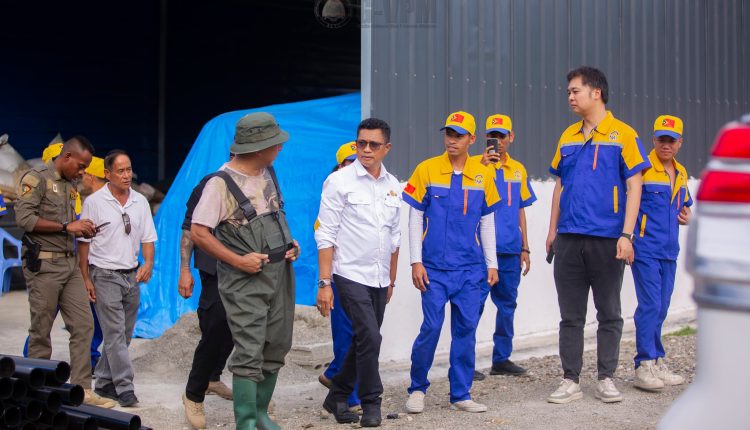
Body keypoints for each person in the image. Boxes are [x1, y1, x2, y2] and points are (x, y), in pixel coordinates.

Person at [545, 66, 650, 404]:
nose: (570, 97)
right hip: (569, 238)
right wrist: (552, 231)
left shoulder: (624, 135)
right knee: (570, 316)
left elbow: (635, 186)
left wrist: (627, 235)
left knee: (609, 312)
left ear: (596, 93)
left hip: (607, 239)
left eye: (575, 91)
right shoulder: (567, 136)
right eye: (568, 92)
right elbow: (559, 185)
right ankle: (570, 380)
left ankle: (606, 378)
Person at [191, 112, 300, 430]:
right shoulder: (220, 184)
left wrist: (290, 243)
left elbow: (275, 216)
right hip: (245, 279)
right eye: (275, 143)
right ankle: (247, 421)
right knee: (250, 348)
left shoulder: (269, 172)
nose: (280, 147)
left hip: (280, 272)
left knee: (277, 343)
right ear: (258, 148)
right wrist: (237, 261)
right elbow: (199, 232)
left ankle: (261, 414)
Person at [403, 111, 500, 414]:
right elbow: (415, 217)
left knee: (466, 330)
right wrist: (416, 262)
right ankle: (417, 388)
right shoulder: (427, 169)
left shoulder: (484, 174)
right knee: (431, 327)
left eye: (459, 135)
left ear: (472, 139)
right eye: (449, 134)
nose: (452, 140)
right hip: (433, 268)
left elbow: (487, 221)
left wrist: (492, 264)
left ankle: (461, 393)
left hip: (470, 269)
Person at [14, 136, 115, 408]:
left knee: (84, 325)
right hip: (44, 266)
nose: (82, 173)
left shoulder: (71, 185)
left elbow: (68, 223)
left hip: (70, 265)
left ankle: (82, 389)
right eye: (80, 166)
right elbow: (24, 219)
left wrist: (82, 228)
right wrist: (65, 227)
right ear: (67, 157)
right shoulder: (36, 179)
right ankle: (36, 391)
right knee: (41, 330)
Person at [315, 121, 401, 427]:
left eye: (373, 145)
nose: (366, 150)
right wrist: (325, 282)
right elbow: (325, 234)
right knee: (371, 337)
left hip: (379, 277)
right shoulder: (339, 182)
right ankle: (371, 401)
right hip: (348, 274)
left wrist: (391, 280)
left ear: (386, 148)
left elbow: (394, 238)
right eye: (361, 143)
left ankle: (336, 396)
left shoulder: (393, 185)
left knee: (361, 340)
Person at [78, 149, 157, 407]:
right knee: (113, 333)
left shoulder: (140, 201)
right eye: (120, 171)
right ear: (107, 174)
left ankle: (103, 382)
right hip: (103, 274)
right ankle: (125, 387)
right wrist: (86, 278)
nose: (126, 175)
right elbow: (83, 244)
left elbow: (148, 238)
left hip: (131, 275)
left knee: (124, 335)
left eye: (129, 169)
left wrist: (149, 263)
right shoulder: (94, 202)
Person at [473, 114, 536, 380]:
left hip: (510, 250)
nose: (496, 140)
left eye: (501, 135)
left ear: (511, 137)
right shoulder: (474, 166)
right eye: (492, 135)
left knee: (507, 305)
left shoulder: (518, 170)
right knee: (472, 306)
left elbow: (521, 210)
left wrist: (525, 247)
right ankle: (465, 362)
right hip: (480, 252)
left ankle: (501, 359)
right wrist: (484, 167)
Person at [631, 115, 691, 391]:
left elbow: (683, 205)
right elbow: (629, 206)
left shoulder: (681, 172)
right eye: (661, 139)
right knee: (650, 305)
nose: (666, 145)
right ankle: (643, 364)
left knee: (662, 307)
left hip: (669, 251)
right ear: (653, 140)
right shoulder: (642, 169)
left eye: (671, 140)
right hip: (645, 249)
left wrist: (687, 215)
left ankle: (656, 359)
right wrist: (628, 240)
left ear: (680, 143)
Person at [179, 156, 236, 430]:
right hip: (215, 268)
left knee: (239, 329)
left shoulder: (263, 181)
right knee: (214, 326)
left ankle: (214, 378)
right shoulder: (211, 184)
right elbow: (189, 229)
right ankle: (194, 393)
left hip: (248, 268)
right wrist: (184, 270)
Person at [316, 141, 362, 412]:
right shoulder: (333, 192)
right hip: (342, 274)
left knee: (363, 333)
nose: (355, 166)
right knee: (347, 335)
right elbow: (325, 238)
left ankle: (334, 374)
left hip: (365, 276)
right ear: (340, 167)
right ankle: (350, 397)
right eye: (349, 161)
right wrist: (326, 282)